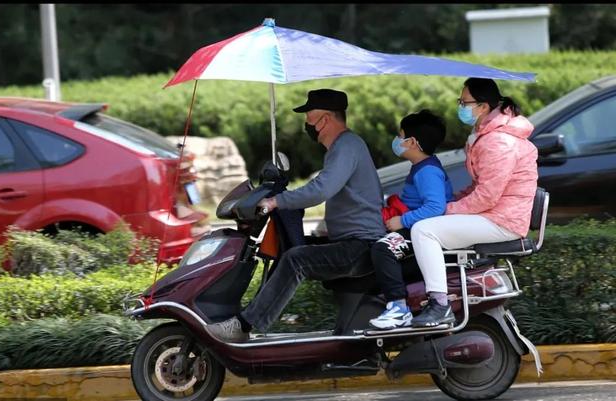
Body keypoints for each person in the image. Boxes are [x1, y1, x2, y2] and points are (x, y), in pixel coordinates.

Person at [205, 88, 387, 342]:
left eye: (309, 116)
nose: (306, 123)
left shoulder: (346, 145)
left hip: (360, 246)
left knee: (296, 259)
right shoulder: (344, 147)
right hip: (350, 240)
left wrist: (276, 201)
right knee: (290, 248)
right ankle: (251, 315)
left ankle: (244, 326)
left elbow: (321, 189)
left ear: (324, 119)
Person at [409, 77, 538, 328]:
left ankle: (439, 305)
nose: (461, 107)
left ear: (483, 107)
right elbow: (481, 186)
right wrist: (452, 201)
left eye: (464, 102)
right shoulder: (487, 134)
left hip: (502, 220)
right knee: (429, 224)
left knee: (424, 231)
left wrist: (447, 210)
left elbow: (487, 195)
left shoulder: (498, 141)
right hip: (497, 214)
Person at [368, 110, 454, 330]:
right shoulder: (422, 167)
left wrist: (402, 221)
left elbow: (436, 207)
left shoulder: (427, 172)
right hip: (415, 227)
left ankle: (398, 308)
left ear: (412, 142)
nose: (397, 141)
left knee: (383, 249)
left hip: (420, 230)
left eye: (400, 136)